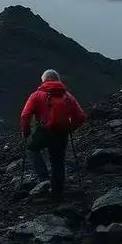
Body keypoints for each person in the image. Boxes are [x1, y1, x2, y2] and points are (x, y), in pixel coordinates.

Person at [20, 69, 87, 198]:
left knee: (31, 148)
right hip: (61, 133)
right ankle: (57, 192)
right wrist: (69, 128)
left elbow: (25, 115)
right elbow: (81, 117)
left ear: (43, 80)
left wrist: (26, 132)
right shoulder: (67, 96)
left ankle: (44, 179)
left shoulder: (36, 95)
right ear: (58, 80)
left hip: (44, 131)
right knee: (58, 161)